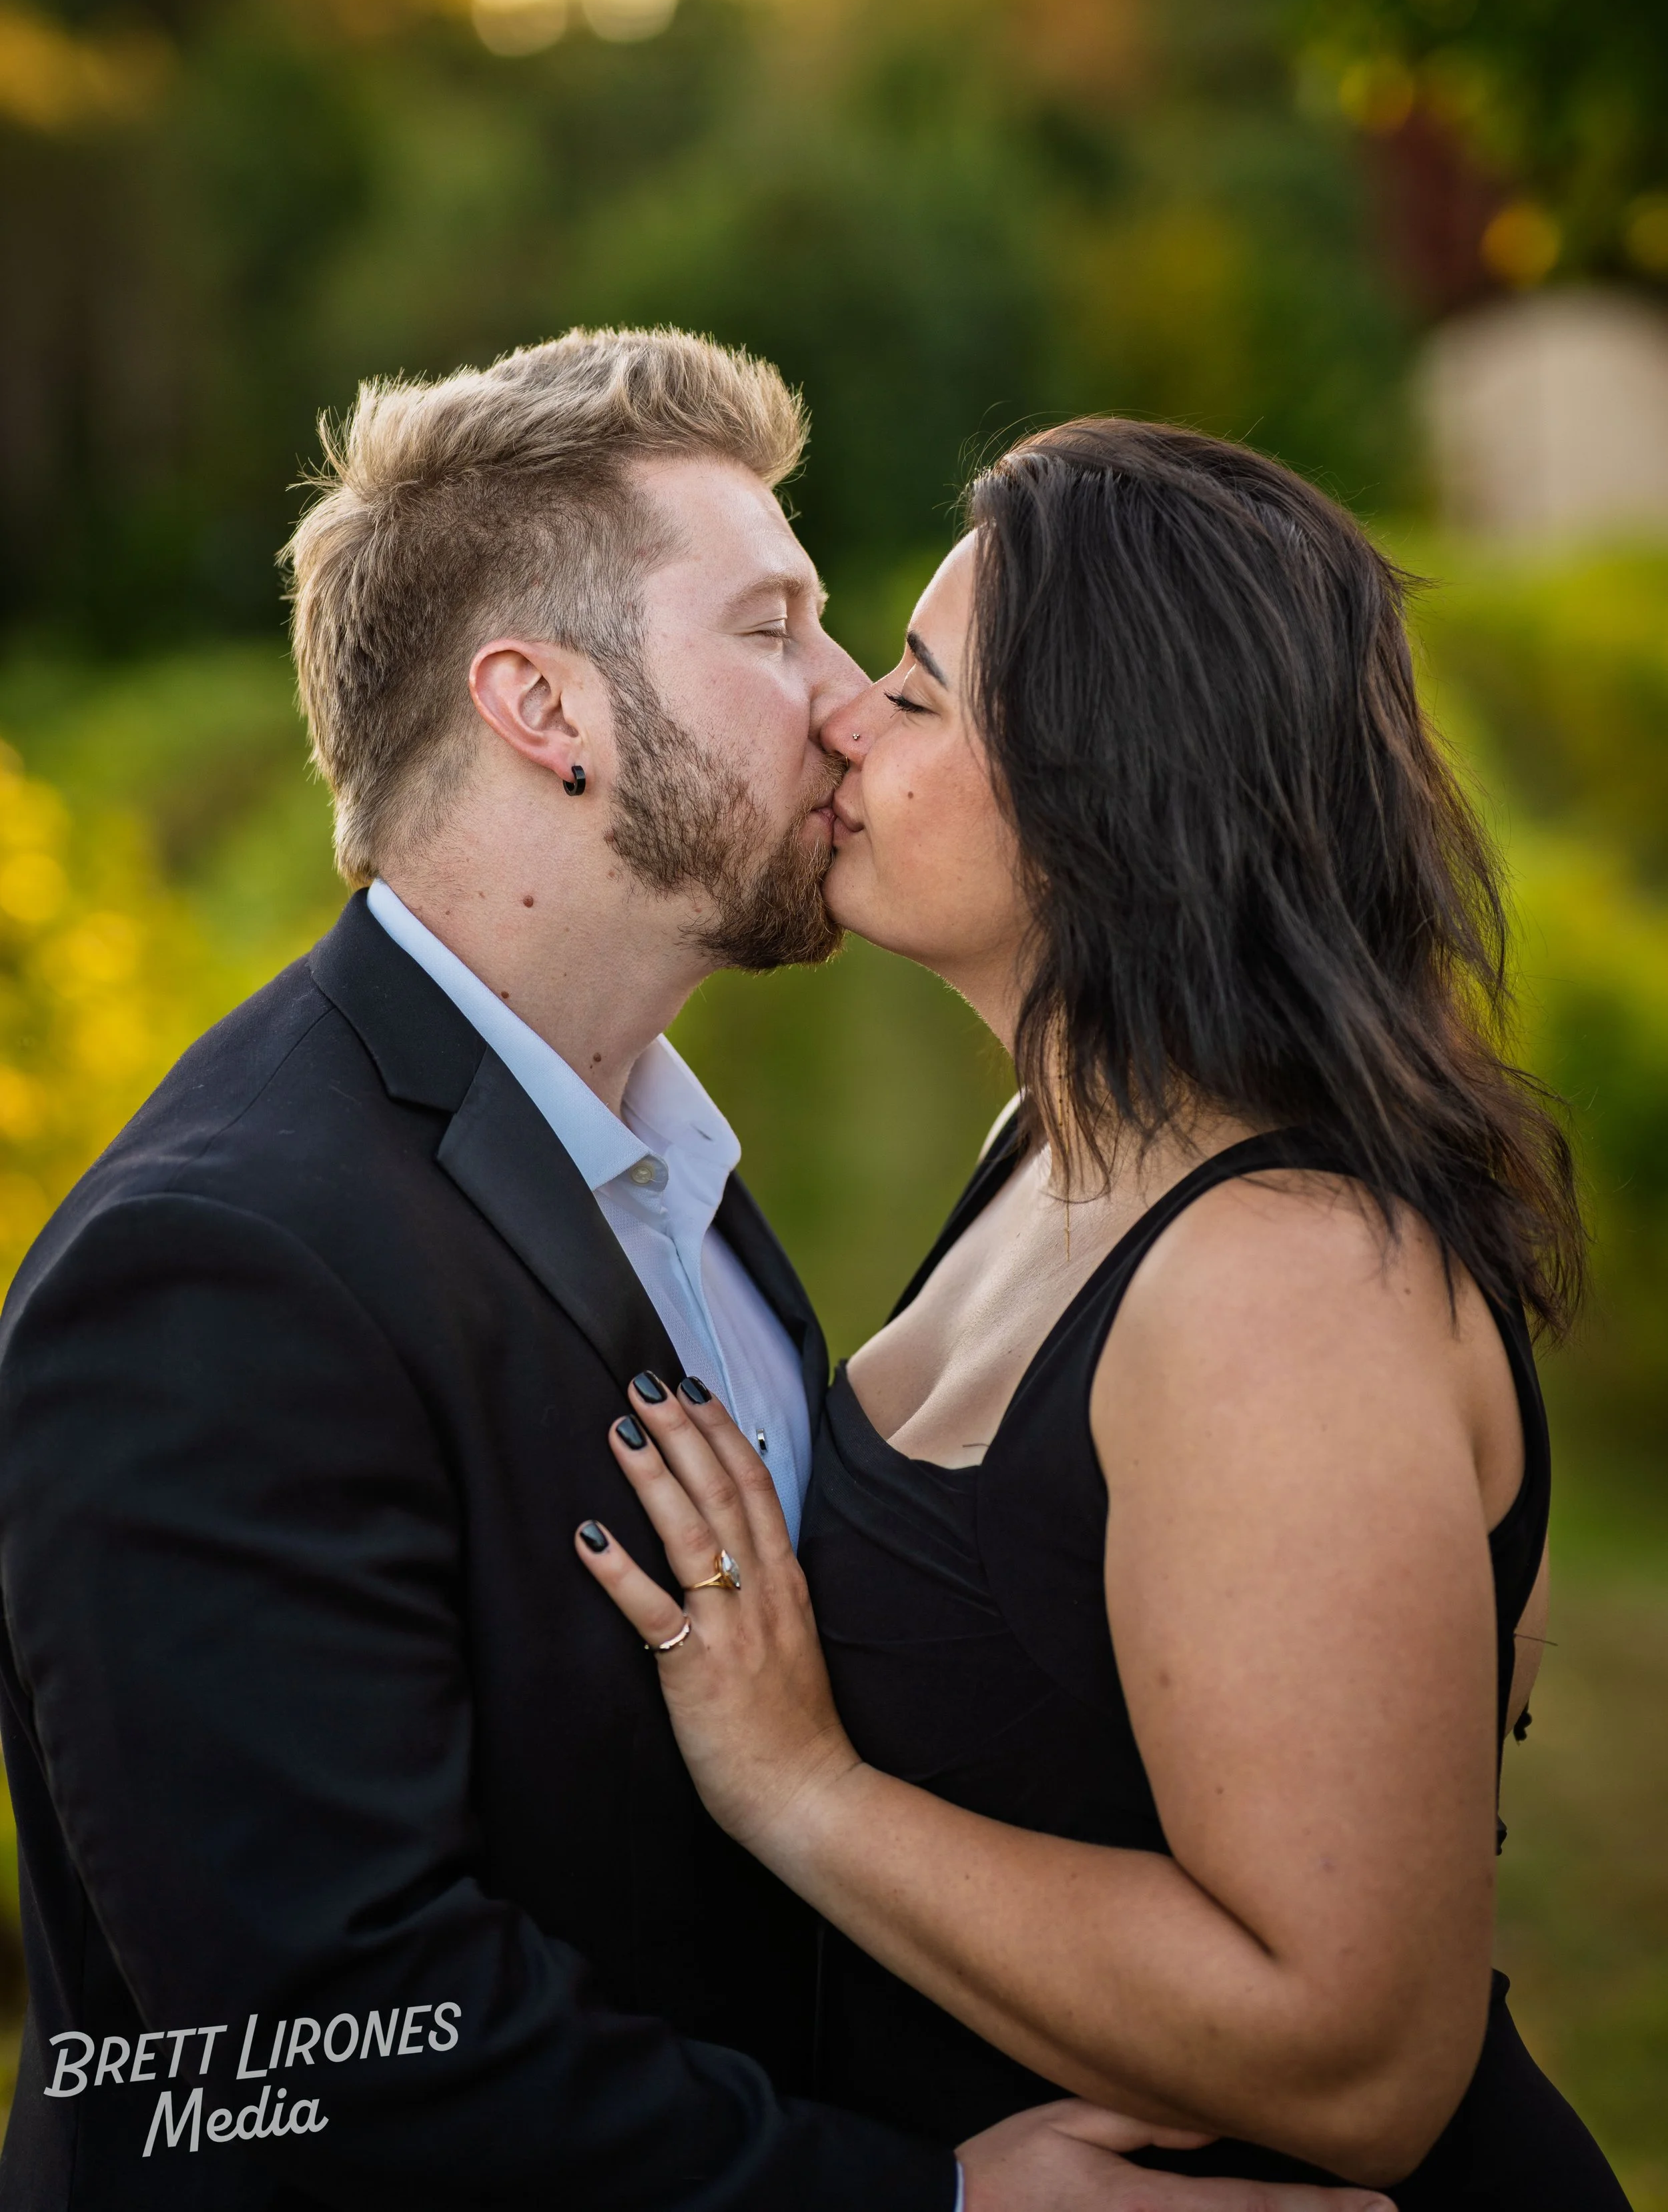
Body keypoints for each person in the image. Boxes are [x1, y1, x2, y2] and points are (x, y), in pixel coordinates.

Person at [0, 344, 1373, 2212]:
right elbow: (320, 2059)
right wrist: (930, 2205)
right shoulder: (219, 1274)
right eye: (776, 626)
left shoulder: (652, 1153)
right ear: (544, 705)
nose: (844, 708)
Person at [577, 418, 1632, 2207]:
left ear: (1102, 800)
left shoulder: (1278, 1288)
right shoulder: (1053, 1146)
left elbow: (1357, 2056)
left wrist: (800, 1787)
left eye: (913, 697)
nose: (841, 714)